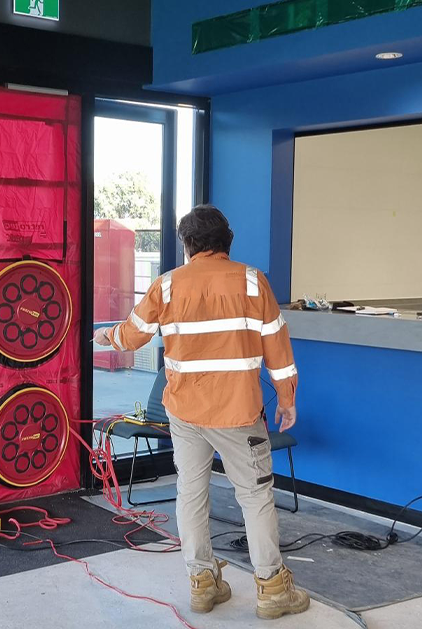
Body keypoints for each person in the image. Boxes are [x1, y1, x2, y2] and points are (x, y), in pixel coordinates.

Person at [94, 205, 310, 620]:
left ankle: (203, 581)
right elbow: (277, 348)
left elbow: (131, 335)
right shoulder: (252, 282)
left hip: (185, 413)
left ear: (188, 245)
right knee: (254, 496)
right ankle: (271, 588)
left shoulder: (168, 286)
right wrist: (286, 397)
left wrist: (106, 335)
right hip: (238, 413)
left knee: (191, 492)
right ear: (227, 242)